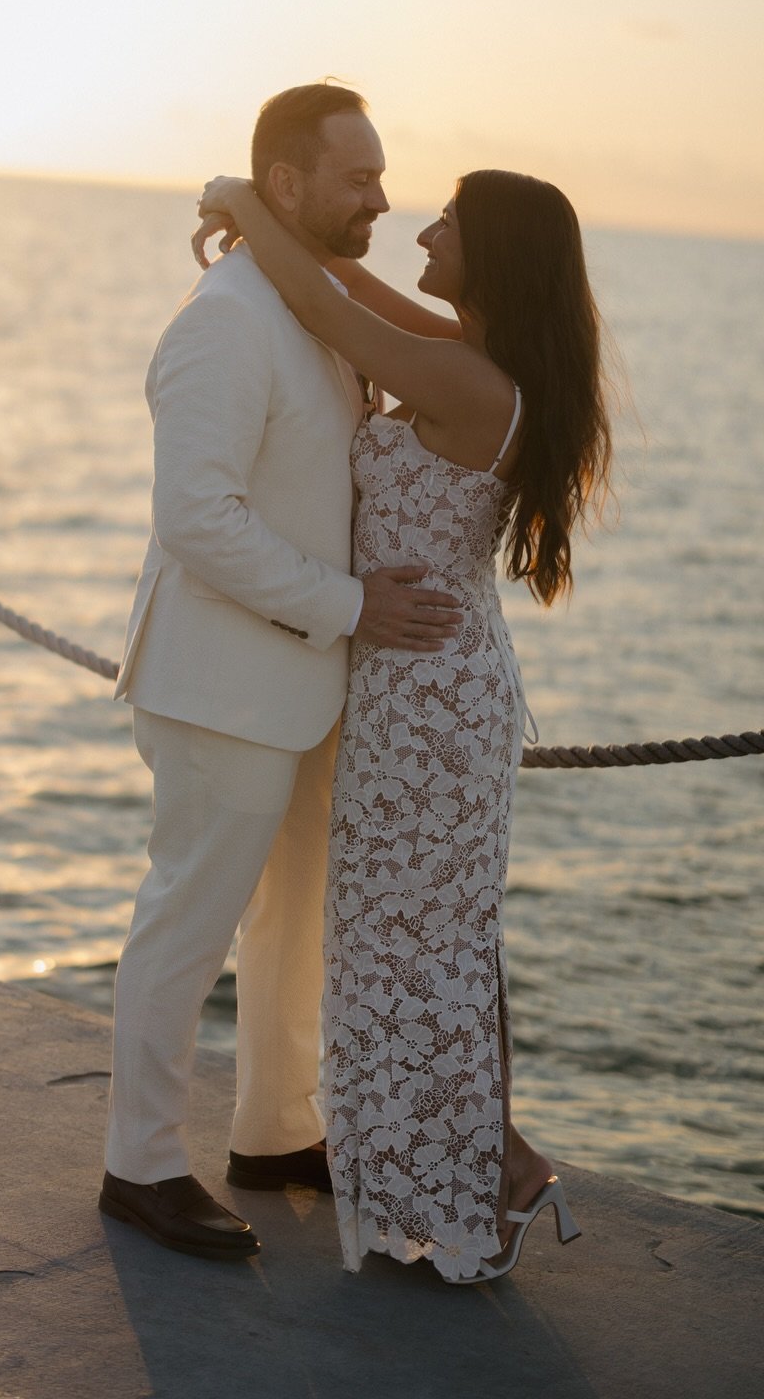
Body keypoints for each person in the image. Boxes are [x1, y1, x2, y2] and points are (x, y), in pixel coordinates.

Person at [194, 164, 612, 1282]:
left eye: (451, 226)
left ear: (497, 256)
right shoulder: (465, 355)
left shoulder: (465, 380)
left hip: (430, 701)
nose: (421, 233)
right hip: (420, 689)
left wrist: (238, 195)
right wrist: (282, 224)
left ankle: (485, 1183)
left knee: (409, 956)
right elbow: (348, 288)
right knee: (414, 952)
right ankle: (491, 1169)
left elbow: (331, 309)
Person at [100, 83, 464, 1263]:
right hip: (221, 687)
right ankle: (141, 1164)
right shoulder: (227, 318)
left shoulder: (307, 305)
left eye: (382, 173)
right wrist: (354, 608)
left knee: (289, 924)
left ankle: (271, 1131)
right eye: (359, 178)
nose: (382, 196)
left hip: (308, 686)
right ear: (290, 184)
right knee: (187, 924)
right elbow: (196, 517)